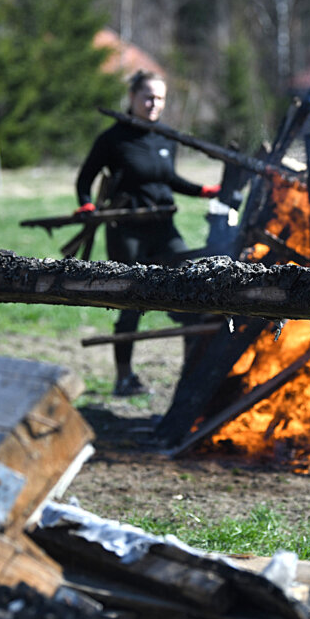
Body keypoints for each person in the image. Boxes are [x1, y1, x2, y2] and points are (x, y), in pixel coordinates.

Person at [75, 70, 219, 396]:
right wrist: (86, 206)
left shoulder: (167, 136)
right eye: (148, 97)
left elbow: (168, 178)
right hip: (127, 230)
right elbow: (84, 180)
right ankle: (124, 378)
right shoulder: (113, 139)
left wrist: (203, 190)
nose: (154, 104)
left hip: (164, 228)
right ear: (132, 98)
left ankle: (189, 378)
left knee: (191, 289)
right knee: (131, 301)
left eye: (160, 98)